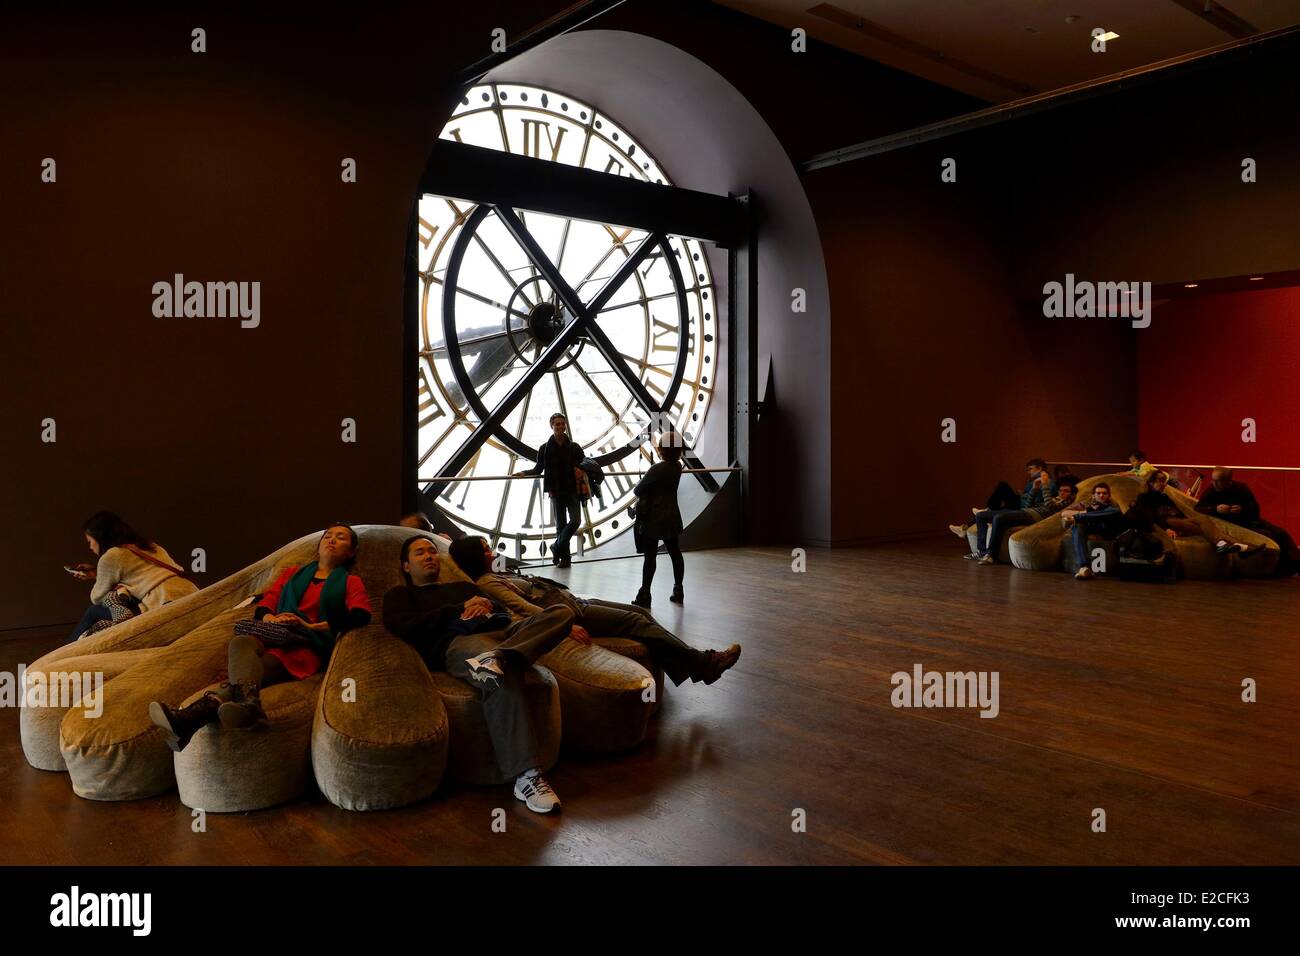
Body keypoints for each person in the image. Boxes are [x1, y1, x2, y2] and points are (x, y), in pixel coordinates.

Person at [383, 535, 574, 813]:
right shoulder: (401, 596)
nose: (429, 556)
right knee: (496, 676)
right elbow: (404, 626)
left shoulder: (462, 586)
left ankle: (501, 656)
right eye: (420, 553)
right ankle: (527, 777)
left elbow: (498, 608)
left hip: (502, 633)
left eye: (432, 552)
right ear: (406, 566)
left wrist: (484, 605)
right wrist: (458, 609)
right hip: (461, 642)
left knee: (561, 613)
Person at [147, 524, 372, 751]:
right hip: (274, 638)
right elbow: (266, 604)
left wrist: (309, 624)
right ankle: (247, 705)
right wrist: (271, 620)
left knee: (248, 674)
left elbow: (361, 615)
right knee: (241, 642)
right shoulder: (292, 574)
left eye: (340, 537)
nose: (331, 540)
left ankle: (187, 719)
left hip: (306, 647)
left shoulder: (350, 582)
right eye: (327, 536)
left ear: (350, 552)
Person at [449, 536, 741, 688]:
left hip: (572, 605)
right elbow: (526, 609)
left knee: (638, 618)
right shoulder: (489, 582)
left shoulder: (489, 580)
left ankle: (697, 666)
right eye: (486, 549)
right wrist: (563, 625)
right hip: (572, 610)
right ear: (478, 557)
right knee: (638, 619)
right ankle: (702, 663)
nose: (492, 552)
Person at [67, 511, 199, 643]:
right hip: (189, 593)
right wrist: (96, 574)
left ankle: (64, 652)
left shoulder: (111, 556)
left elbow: (96, 597)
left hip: (162, 603)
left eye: (90, 541)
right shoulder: (150, 545)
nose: (90, 546)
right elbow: (142, 573)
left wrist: (100, 575)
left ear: (100, 537)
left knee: (94, 611)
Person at [1128, 471, 1261, 556]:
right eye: (1160, 481)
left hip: (1177, 521)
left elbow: (1180, 513)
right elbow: (1150, 518)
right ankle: (1243, 548)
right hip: (1165, 522)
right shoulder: (1144, 497)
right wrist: (1166, 529)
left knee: (1204, 522)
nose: (1164, 484)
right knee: (1207, 529)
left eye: (1164, 481)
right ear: (1151, 482)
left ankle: (1233, 546)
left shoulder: (1165, 497)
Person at [1195, 467, 1299, 574]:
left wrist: (1242, 509)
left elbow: (1255, 509)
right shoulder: (1211, 491)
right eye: (1213, 480)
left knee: (1281, 533)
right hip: (1235, 525)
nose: (1214, 484)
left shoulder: (1241, 488)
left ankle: (1296, 564)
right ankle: (1281, 567)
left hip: (1249, 521)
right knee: (1269, 536)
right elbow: (1198, 509)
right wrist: (1215, 509)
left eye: (1218, 481)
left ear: (1228, 481)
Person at [520, 412, 585, 568]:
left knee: (562, 526)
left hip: (556, 491)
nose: (561, 426)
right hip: (571, 490)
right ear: (552, 426)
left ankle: (558, 549)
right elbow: (585, 462)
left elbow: (538, 469)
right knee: (574, 521)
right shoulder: (574, 447)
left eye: (562, 424)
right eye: (558, 424)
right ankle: (564, 557)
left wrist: (524, 473)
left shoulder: (545, 448)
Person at [632, 433, 687, 607]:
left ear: (661, 450)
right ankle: (678, 589)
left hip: (654, 518)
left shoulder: (657, 469)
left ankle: (645, 594)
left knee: (650, 558)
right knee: (675, 554)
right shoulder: (677, 467)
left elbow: (638, 490)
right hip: (671, 516)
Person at [972, 477, 1079, 565]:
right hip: (1025, 512)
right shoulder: (1054, 499)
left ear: (1072, 494)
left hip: (1033, 517)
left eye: (1066, 491)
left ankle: (991, 555)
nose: (1062, 493)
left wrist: (1045, 486)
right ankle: (982, 552)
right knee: (981, 516)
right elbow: (1028, 506)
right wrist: (1035, 489)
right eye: (1061, 490)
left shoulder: (1066, 504)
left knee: (998, 518)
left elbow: (1050, 506)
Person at [949, 458, 1056, 538]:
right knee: (984, 514)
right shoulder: (1032, 482)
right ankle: (965, 528)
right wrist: (1022, 494)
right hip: (1020, 503)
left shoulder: (1048, 482)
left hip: (1024, 509)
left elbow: (1039, 500)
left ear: (1040, 468)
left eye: (1030, 469)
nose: (1028, 472)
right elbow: (1029, 494)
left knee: (1003, 486)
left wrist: (1024, 496)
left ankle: (988, 508)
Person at [1060, 482, 1126, 580]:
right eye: (1098, 493)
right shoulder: (1086, 504)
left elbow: (1118, 514)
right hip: (1091, 527)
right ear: (1093, 495)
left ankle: (1076, 518)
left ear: (1109, 495)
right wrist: (1086, 512)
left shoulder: (1112, 504)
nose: (1101, 495)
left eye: (1104, 493)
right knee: (1076, 527)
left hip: (1108, 529)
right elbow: (1064, 513)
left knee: (1115, 511)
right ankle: (1084, 567)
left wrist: (1078, 516)